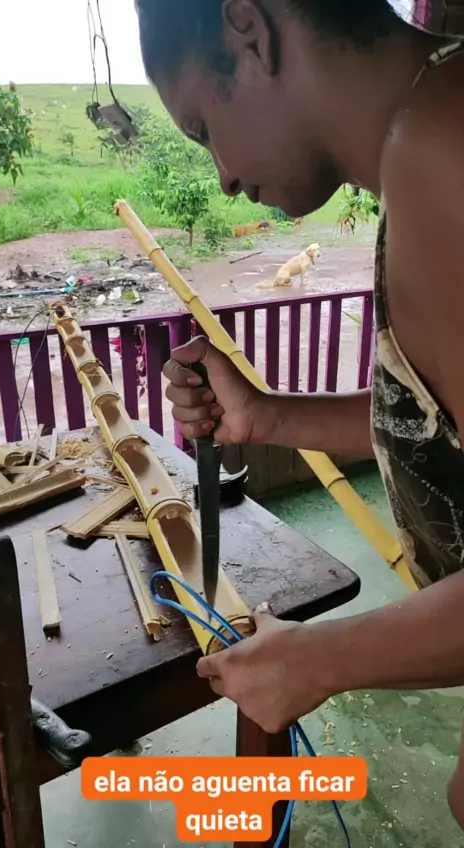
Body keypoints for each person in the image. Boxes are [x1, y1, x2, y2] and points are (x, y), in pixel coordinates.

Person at [135, 0, 464, 826]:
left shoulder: (444, 150)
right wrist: (266, 417)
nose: (223, 177)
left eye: (204, 128)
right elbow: (435, 422)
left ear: (248, 30)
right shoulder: (427, 133)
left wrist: (319, 658)